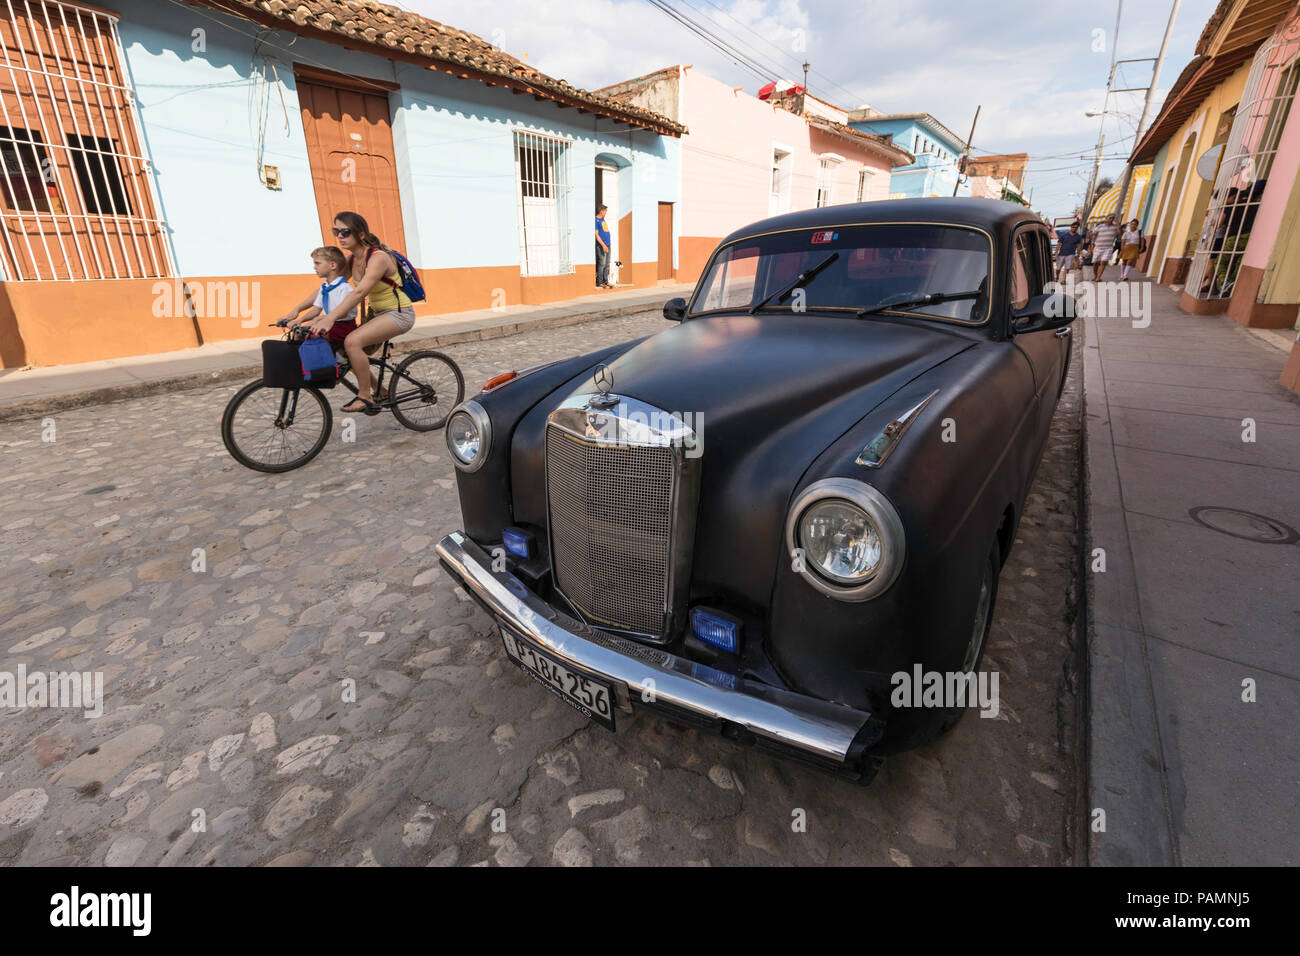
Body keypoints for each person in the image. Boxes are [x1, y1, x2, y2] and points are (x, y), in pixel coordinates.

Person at [308, 211, 416, 415]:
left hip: (399, 313)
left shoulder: (378, 257)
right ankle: (381, 392)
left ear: (361, 235)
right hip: (377, 314)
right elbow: (329, 285)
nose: (339, 236)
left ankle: (365, 396)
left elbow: (359, 292)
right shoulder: (351, 260)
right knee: (343, 348)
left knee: (352, 342)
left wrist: (330, 317)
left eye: (345, 232)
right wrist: (296, 311)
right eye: (336, 231)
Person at [274, 246, 357, 345]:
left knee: (308, 335)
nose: (314, 267)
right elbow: (316, 310)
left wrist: (318, 320)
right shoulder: (324, 287)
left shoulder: (344, 288)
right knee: (298, 334)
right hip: (328, 323)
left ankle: (339, 357)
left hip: (343, 327)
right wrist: (300, 320)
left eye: (318, 263)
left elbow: (342, 313)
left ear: (333, 265)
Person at [1089, 214, 1120, 281]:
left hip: (1108, 248)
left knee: (1103, 262)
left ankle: (1098, 277)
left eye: (1113, 218)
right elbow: (1093, 233)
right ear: (1106, 219)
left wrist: (1118, 225)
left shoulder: (1115, 227)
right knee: (1095, 263)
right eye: (1110, 218)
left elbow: (1120, 233)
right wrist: (1089, 239)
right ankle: (1095, 275)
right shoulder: (1100, 226)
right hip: (1098, 247)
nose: (1111, 220)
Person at [595, 204, 612, 289]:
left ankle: (606, 281)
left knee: (607, 264)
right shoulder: (596, 220)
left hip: (608, 244)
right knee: (602, 263)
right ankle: (600, 282)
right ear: (601, 211)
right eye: (605, 211)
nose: (606, 213)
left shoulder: (603, 220)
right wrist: (603, 245)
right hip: (602, 245)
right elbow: (597, 235)